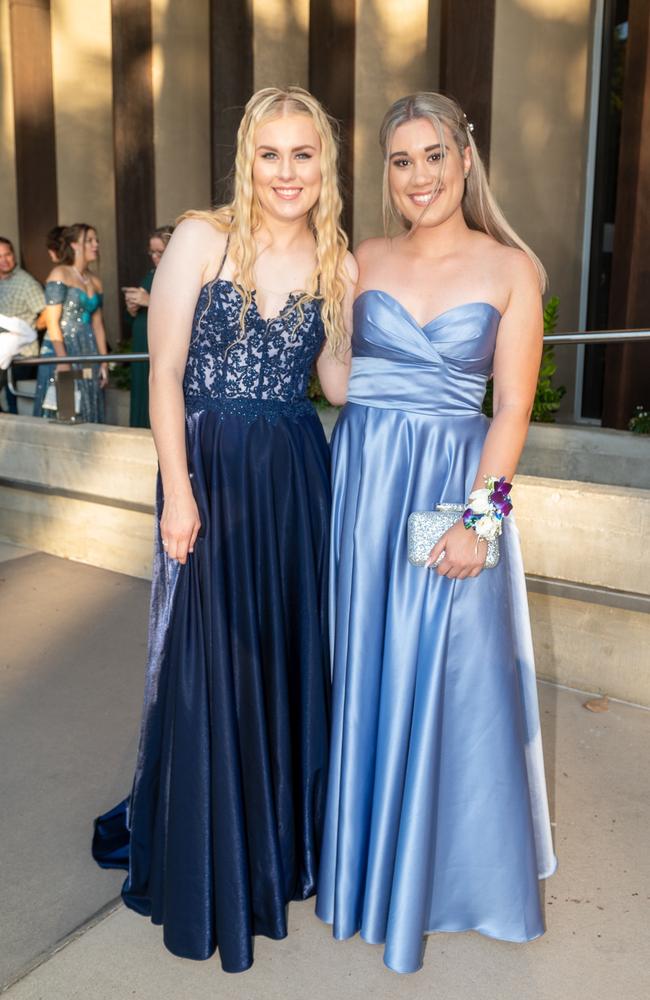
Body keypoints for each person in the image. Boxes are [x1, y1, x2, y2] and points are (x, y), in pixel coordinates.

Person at [92, 87, 356, 973]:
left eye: (304, 155)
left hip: (291, 476)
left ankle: (275, 846)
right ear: (249, 158)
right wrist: (178, 490)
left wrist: (382, 317)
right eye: (271, 154)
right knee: (211, 661)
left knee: (280, 658)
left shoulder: (333, 257)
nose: (288, 173)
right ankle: (210, 853)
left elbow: (336, 385)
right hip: (208, 468)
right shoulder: (205, 238)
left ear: (326, 163)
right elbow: (161, 374)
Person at [316, 92, 556, 973]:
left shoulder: (510, 270)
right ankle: (363, 861)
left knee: (444, 673)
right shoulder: (363, 257)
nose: (417, 176)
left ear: (464, 157)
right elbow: (340, 385)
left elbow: (514, 406)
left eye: (432, 156)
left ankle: (438, 875)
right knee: (368, 664)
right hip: (367, 485)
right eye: (400, 160)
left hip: (448, 492)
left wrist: (479, 521)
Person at [33, 224, 109, 422]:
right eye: (90, 240)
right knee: (65, 410)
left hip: (88, 348)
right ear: (75, 245)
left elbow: (98, 324)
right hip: (62, 348)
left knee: (88, 403)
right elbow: (51, 320)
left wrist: (104, 360)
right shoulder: (60, 273)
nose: (96, 244)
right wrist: (62, 359)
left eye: (96, 240)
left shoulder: (95, 279)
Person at [122, 225, 174, 427]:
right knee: (142, 390)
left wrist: (149, 300)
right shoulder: (152, 274)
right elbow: (133, 318)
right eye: (151, 252)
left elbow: (185, 311)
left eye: (159, 252)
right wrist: (132, 309)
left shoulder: (180, 275)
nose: (154, 256)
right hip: (142, 343)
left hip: (161, 346)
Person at [0, 237, 46, 413]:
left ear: (14, 255)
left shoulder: (26, 282)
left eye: (8, 254)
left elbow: (46, 313)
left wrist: (29, 331)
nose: (4, 260)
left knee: (12, 406)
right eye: (0, 256)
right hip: (3, 353)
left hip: (22, 354)